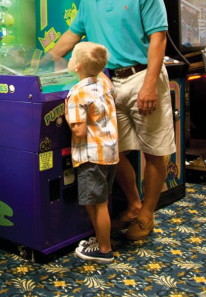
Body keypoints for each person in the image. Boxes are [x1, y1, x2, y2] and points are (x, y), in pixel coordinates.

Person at [50, 0, 174, 241]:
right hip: (105, 83)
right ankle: (133, 204)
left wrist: (148, 87)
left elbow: (158, 39)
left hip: (142, 78)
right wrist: (43, 60)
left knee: (154, 150)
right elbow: (71, 35)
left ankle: (147, 214)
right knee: (112, 151)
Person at [65, 41, 118, 263]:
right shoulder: (104, 84)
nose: (68, 60)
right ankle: (99, 238)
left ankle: (105, 249)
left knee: (98, 203)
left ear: (77, 66)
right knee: (97, 200)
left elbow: (78, 131)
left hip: (91, 155)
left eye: (71, 57)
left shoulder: (77, 93)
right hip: (110, 152)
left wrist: (66, 114)